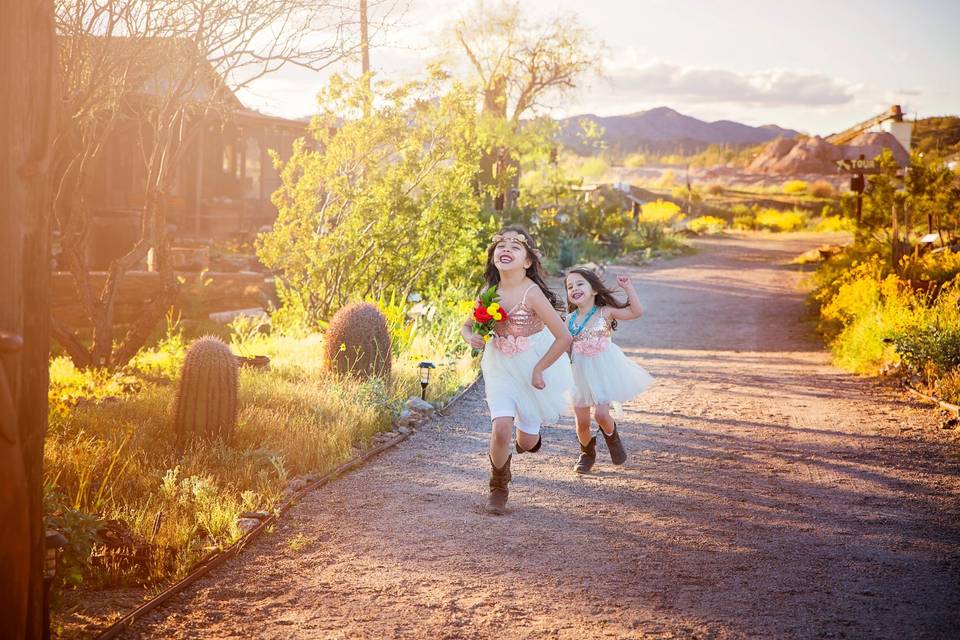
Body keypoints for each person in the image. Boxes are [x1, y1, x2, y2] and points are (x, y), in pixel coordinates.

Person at [461, 226, 573, 514]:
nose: (506, 249)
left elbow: (564, 337)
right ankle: (498, 485)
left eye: (515, 246)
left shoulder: (532, 294)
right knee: (500, 430)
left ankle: (530, 439)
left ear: (527, 261)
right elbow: (468, 326)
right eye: (501, 245)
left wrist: (539, 369)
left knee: (526, 441)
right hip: (499, 366)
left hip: (533, 368)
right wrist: (471, 337)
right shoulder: (489, 292)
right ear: (493, 257)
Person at [564, 267, 653, 474]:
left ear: (594, 289)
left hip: (604, 370)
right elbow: (565, 348)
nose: (574, 289)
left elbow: (636, 311)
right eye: (569, 286)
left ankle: (613, 438)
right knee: (582, 423)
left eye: (579, 284)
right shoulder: (569, 320)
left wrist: (628, 287)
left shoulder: (605, 312)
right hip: (579, 373)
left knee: (602, 414)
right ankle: (587, 452)